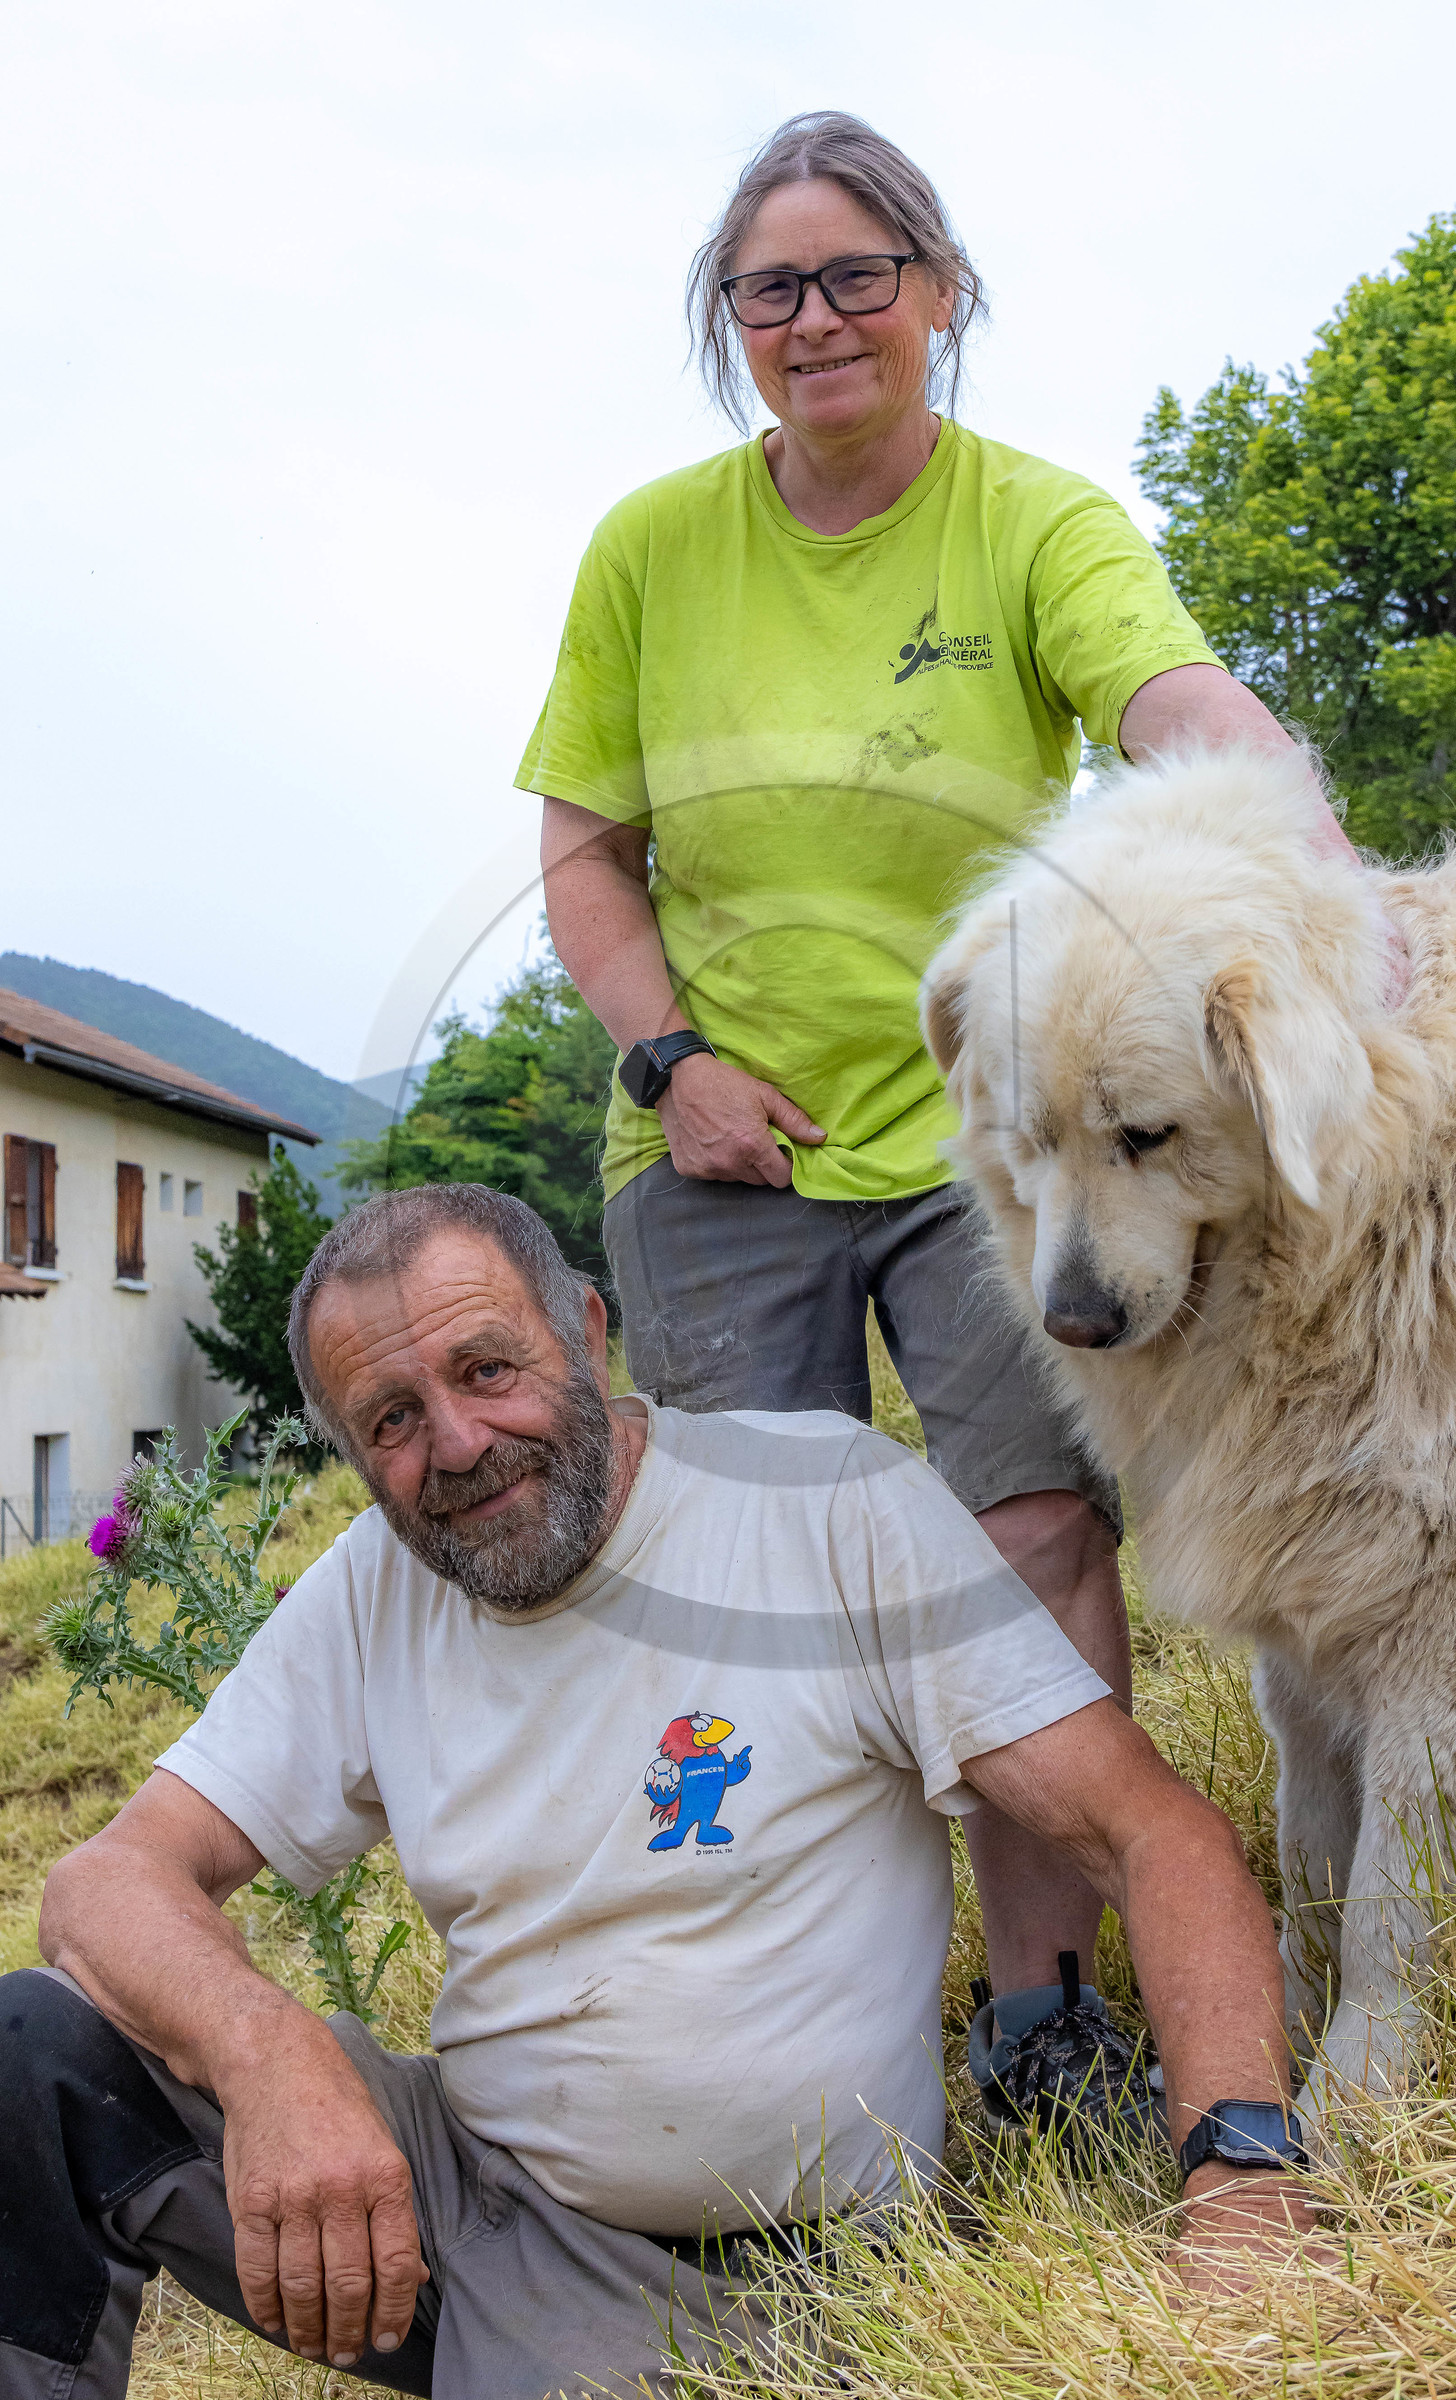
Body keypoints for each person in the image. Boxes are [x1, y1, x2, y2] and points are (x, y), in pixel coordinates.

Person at [529, 110, 1380, 2116]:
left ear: (936, 295)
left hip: (998, 1151)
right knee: (750, 1595)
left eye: (855, 276)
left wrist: (1305, 848)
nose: (813, 319)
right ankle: (799, 2018)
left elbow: (1169, 697)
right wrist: (672, 1064)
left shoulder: (1031, 519)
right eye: (769, 288)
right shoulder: (649, 550)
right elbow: (584, 863)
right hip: (720, 1138)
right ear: (729, 320)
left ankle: (1037, 2018)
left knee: (1022, 1552)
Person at [8, 1184, 1316, 2399]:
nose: (457, 1444)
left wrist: (1245, 2186)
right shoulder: (374, 1589)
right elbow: (104, 1885)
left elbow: (1155, 1833)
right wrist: (269, 2057)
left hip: (777, 2262)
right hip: (465, 2187)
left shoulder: (823, 1506)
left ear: (586, 1330)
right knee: (35, 2063)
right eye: (392, 1420)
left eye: (486, 1370)